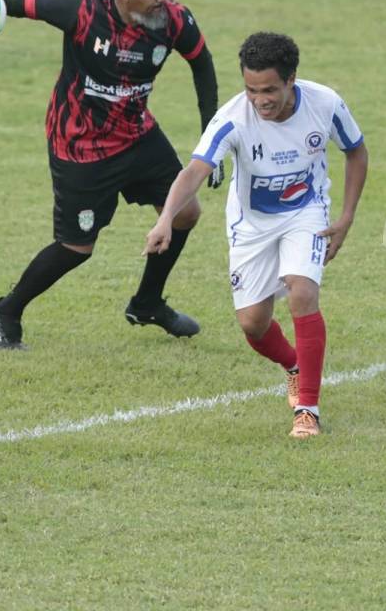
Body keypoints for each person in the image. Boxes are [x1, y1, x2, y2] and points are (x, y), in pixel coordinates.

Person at [0, 0, 225, 350]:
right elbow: (15, 3)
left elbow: (202, 63)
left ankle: (147, 303)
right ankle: (7, 309)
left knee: (185, 213)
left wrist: (211, 136)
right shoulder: (82, 9)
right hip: (80, 145)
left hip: (137, 134)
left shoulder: (172, 20)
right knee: (76, 247)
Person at [144, 32, 368, 438]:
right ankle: (295, 366)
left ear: (291, 80)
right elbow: (195, 170)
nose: (260, 99)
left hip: (306, 211)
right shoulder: (233, 117)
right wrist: (165, 220)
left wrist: (347, 217)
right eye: (251, 90)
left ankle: (308, 410)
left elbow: (356, 150)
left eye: (269, 90)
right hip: (251, 224)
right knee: (253, 324)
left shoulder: (325, 104)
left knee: (303, 292)